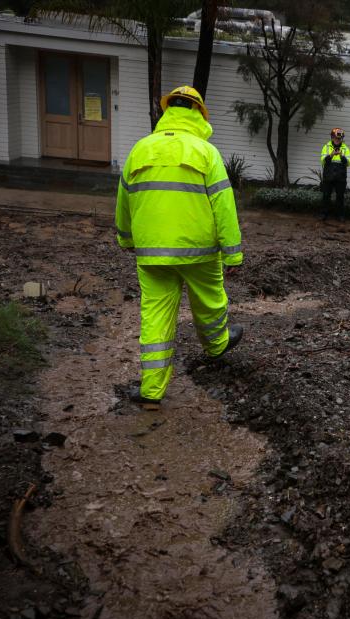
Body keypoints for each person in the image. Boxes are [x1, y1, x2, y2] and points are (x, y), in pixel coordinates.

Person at [115, 85, 243, 409]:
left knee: (155, 316)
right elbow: (224, 205)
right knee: (210, 302)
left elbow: (124, 200)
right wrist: (233, 252)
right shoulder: (205, 152)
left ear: (166, 111)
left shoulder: (139, 149)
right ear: (200, 114)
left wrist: (126, 238)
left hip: (151, 252)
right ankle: (216, 347)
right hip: (198, 249)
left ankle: (151, 392)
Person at [320, 128, 350, 221]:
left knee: (340, 197)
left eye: (340, 138)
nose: (338, 140)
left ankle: (340, 216)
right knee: (326, 196)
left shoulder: (345, 148)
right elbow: (323, 161)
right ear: (332, 137)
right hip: (328, 176)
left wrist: (341, 156)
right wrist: (331, 154)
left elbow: (348, 162)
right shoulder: (326, 147)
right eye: (336, 138)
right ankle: (324, 214)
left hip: (340, 177)